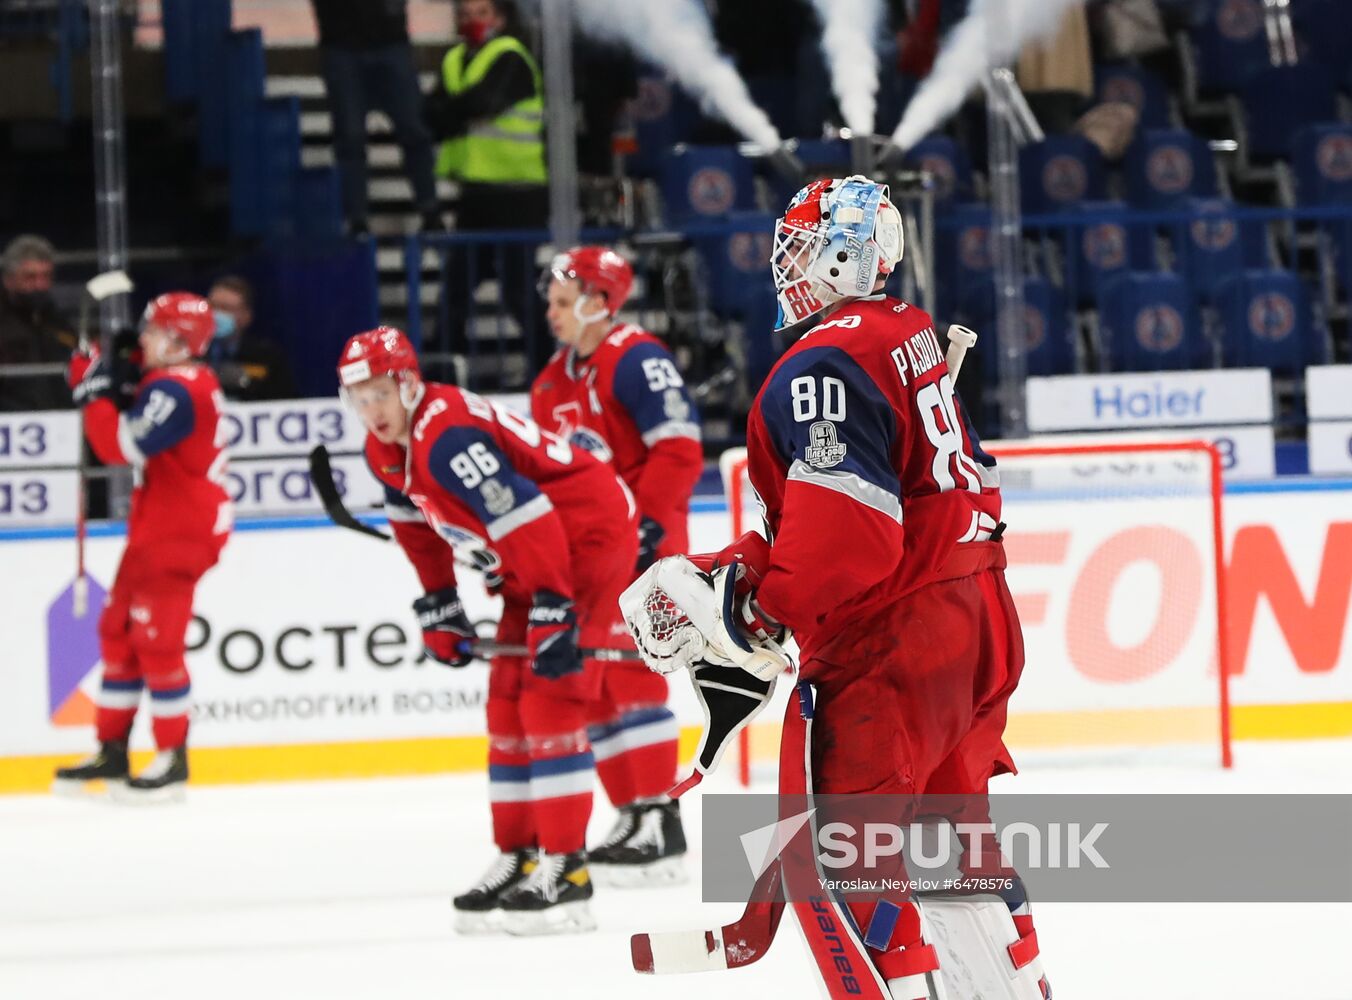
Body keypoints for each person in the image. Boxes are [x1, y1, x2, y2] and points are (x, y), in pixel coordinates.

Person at [622, 176, 1051, 998]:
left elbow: (852, 536)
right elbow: (886, 498)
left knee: (850, 873)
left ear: (844, 256)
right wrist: (743, 572)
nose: (786, 264)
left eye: (801, 247)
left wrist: (758, 612)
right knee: (953, 853)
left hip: (893, 649)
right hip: (975, 624)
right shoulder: (907, 331)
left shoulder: (821, 362)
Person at [339, 325, 637, 934]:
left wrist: (555, 605)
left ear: (407, 382)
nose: (371, 412)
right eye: (358, 399)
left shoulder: (446, 436)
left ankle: (569, 870)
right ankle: (520, 854)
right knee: (506, 707)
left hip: (584, 542)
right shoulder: (387, 449)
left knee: (551, 705)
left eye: (378, 393)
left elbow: (526, 515)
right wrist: (440, 602)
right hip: (534, 558)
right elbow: (418, 530)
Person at [530, 247, 702, 885]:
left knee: (631, 677)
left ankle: (662, 819)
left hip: (644, 554)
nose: (549, 313)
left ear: (598, 301)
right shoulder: (551, 381)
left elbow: (679, 450)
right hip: (589, 558)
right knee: (596, 683)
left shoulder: (637, 359)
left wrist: (648, 526)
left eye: (559, 301)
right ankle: (634, 815)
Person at [54, 292, 233, 802]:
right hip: (157, 523)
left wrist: (94, 392)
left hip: (181, 530)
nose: (145, 339)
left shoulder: (180, 389)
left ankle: (172, 758)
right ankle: (111, 749)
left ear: (179, 342)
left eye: (154, 331)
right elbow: (136, 385)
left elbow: (119, 448)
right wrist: (114, 375)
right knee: (119, 633)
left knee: (157, 642)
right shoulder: (172, 379)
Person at [423, 0, 550, 376]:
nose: (472, 21)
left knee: (518, 291)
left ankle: (546, 368)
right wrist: (457, 111)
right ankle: (440, 369)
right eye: (465, 14)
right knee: (456, 289)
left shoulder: (512, 56)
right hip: (476, 192)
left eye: (481, 13)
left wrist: (453, 110)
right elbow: (429, 114)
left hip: (519, 192)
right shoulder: (453, 60)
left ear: (500, 19)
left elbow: (485, 102)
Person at [308, 0, 442, 236]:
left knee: (414, 128)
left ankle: (430, 209)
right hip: (341, 44)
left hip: (389, 39)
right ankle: (357, 219)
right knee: (350, 137)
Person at [0, 234, 77, 412]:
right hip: (10, 423)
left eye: (46, 276)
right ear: (9, 279)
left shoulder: (55, 320)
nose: (40, 285)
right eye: (30, 277)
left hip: (60, 419)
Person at [206, 276, 298, 402]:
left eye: (226, 308)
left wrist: (247, 383)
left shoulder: (267, 356)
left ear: (246, 316)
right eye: (212, 306)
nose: (216, 314)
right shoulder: (190, 353)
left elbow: (285, 401)